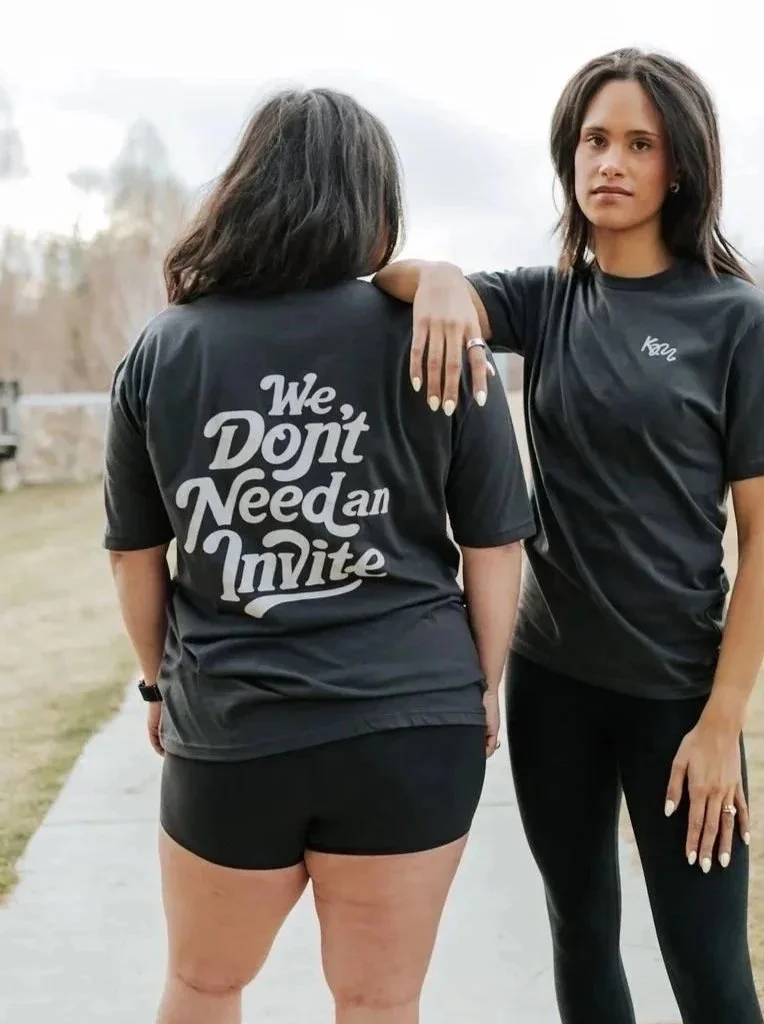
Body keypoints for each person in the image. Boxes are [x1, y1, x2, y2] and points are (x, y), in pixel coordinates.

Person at [373, 47, 764, 1024]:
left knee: (710, 975)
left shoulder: (737, 322)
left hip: (678, 701)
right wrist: (439, 275)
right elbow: (397, 281)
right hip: (553, 687)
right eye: (594, 139)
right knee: (578, 932)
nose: (610, 162)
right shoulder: (546, 299)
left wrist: (722, 720)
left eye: (639, 144)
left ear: (680, 166)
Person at [101, 86, 534, 1024]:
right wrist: (482, 682)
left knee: (205, 983)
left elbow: (135, 555)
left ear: (245, 192)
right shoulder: (440, 341)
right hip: (410, 724)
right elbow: (494, 544)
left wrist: (155, 683)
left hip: (234, 725)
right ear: (375, 203)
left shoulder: (165, 349)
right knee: (380, 1001)